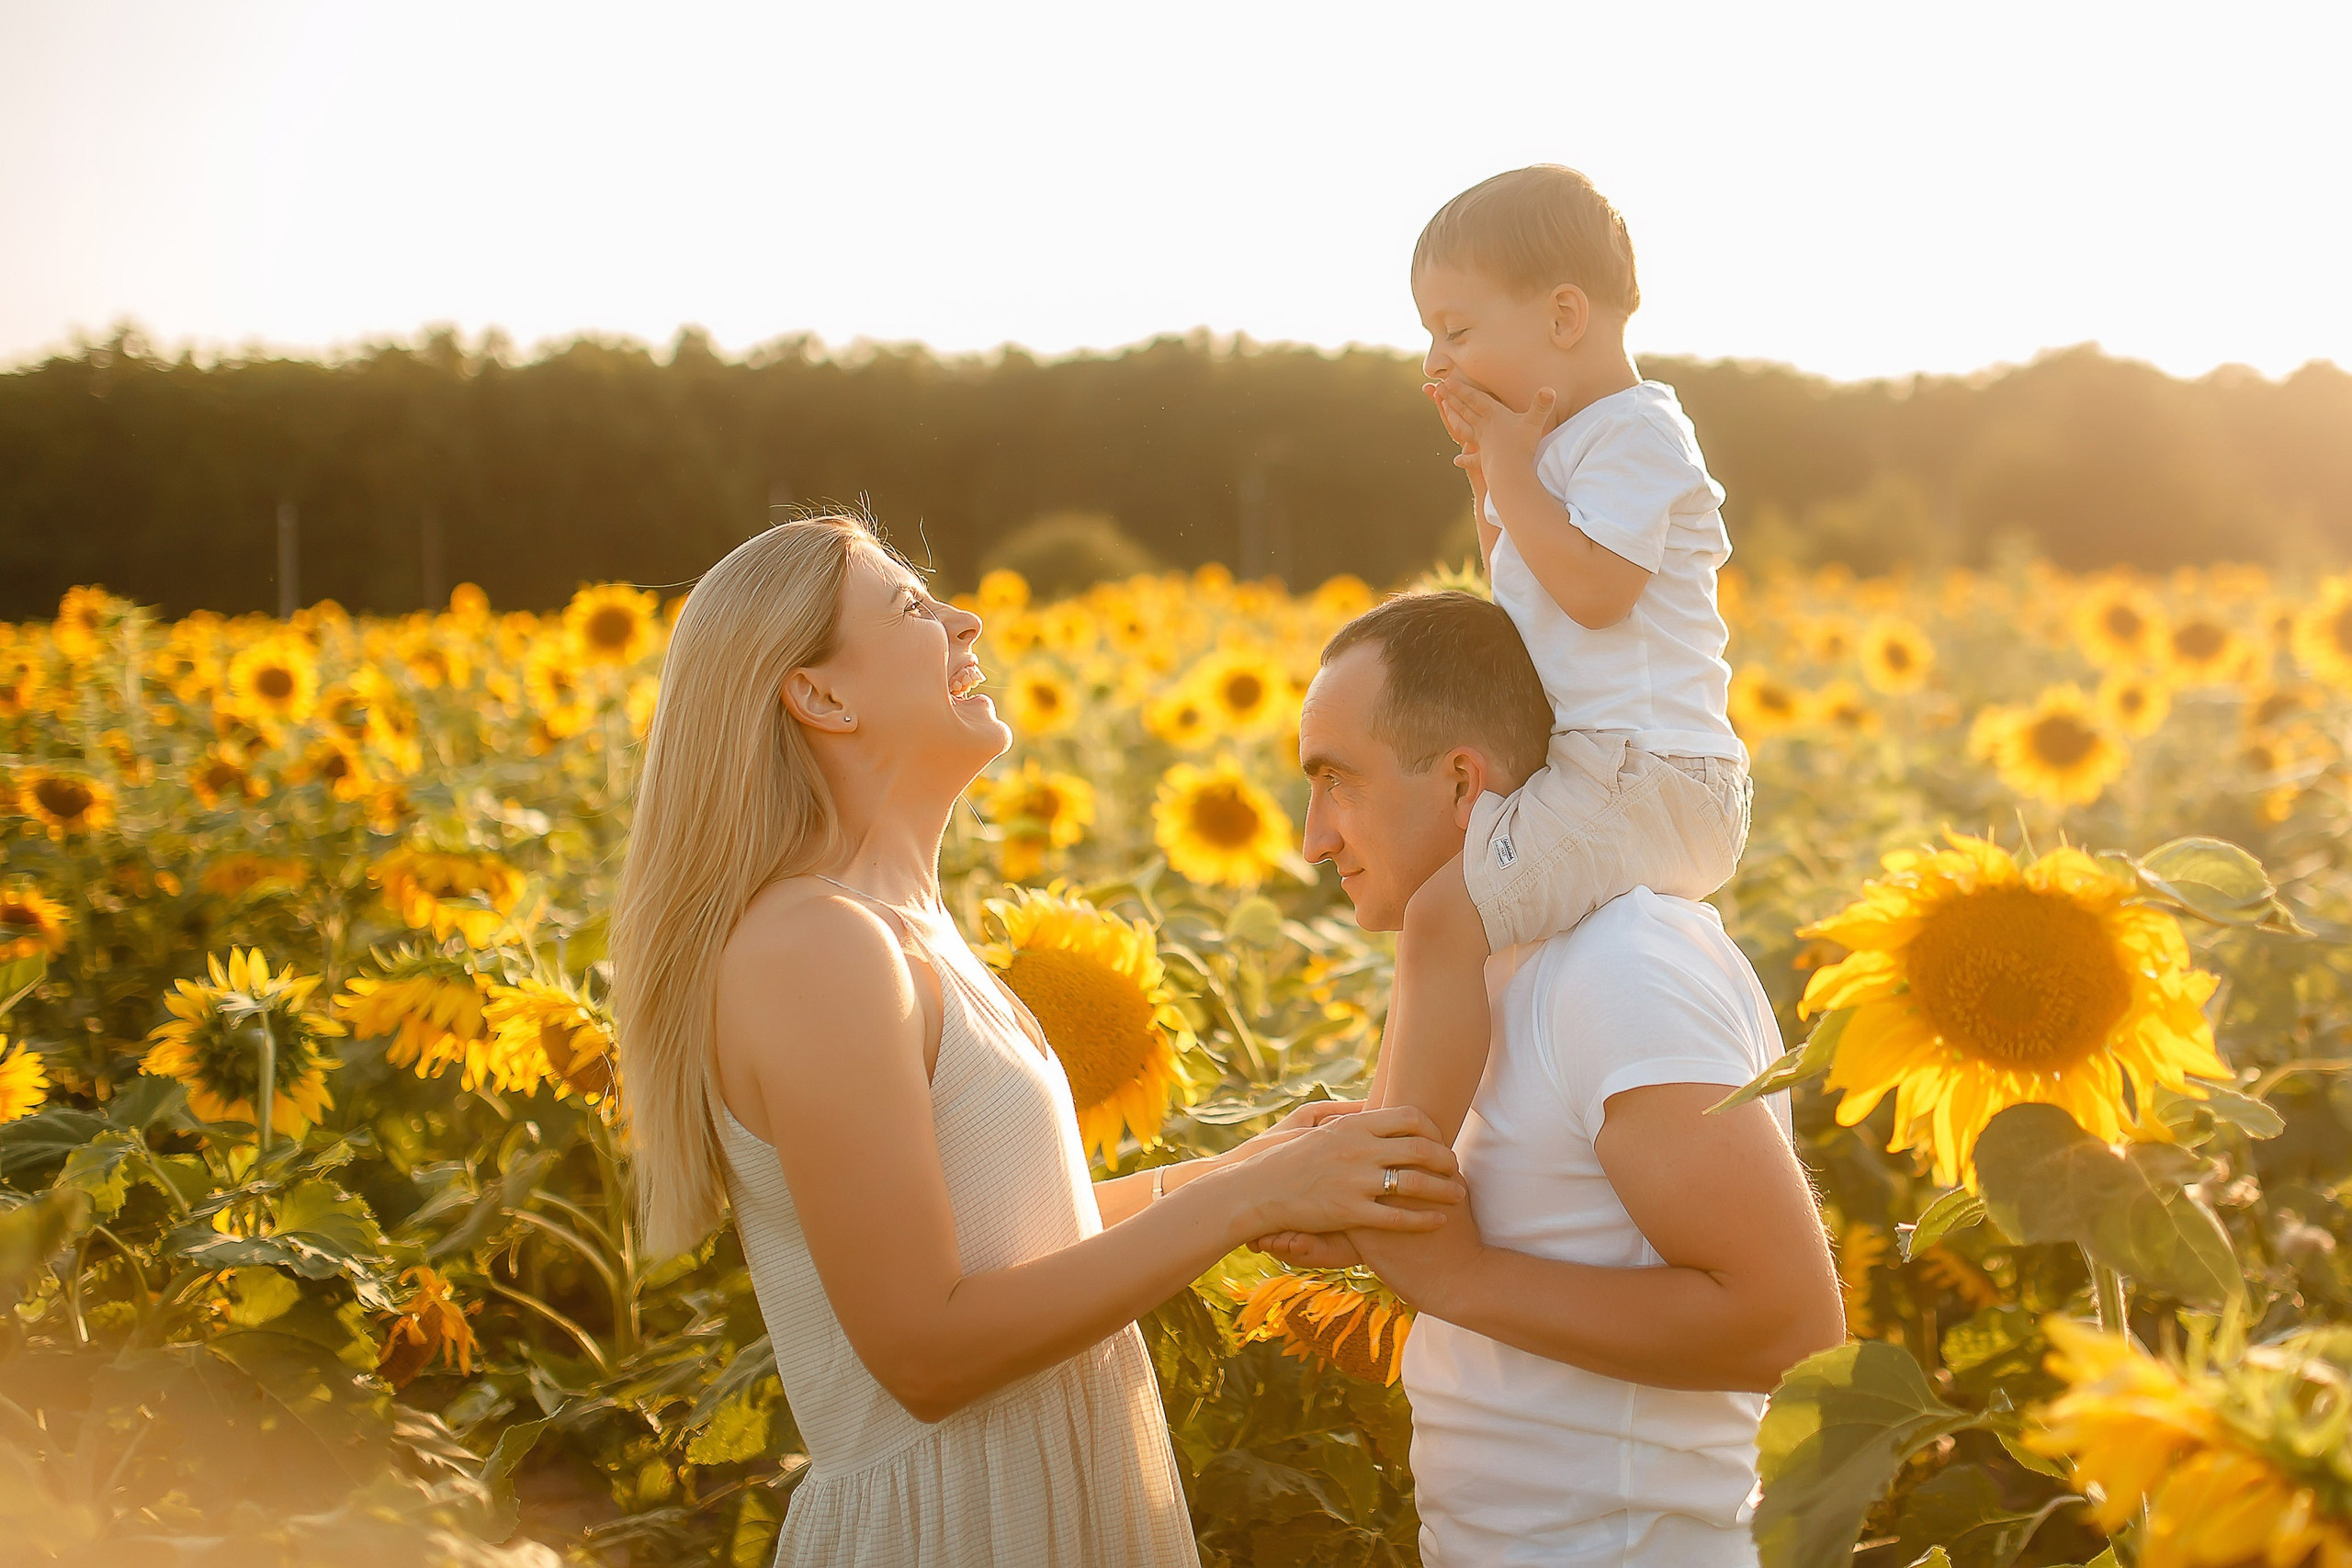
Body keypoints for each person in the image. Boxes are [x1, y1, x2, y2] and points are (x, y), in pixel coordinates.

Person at [610, 515, 1469, 1568]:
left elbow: (1004, 1240)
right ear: (821, 697)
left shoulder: (897, 929)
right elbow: (924, 1349)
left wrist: (1248, 1172)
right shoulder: (814, 948)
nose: (965, 618)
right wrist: (1243, 1200)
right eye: (911, 608)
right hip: (958, 1527)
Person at [1267, 590, 1844, 1567]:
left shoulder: (1619, 967)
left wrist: (1461, 1276)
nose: (1313, 838)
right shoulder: (1494, 969)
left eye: (1338, 782)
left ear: (1462, 785)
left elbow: (1787, 1325)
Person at [1371, 165, 1752, 1145]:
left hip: (1649, 774)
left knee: (1440, 921)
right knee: (1442, 893)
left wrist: (1509, 467)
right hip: (1607, 768)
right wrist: (1492, 484)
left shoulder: (1638, 433)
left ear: (1564, 316)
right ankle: (1436, 1126)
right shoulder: (1564, 449)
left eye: (1455, 331)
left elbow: (1593, 592)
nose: (1434, 363)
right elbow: (1521, 593)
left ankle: (1391, 1157)